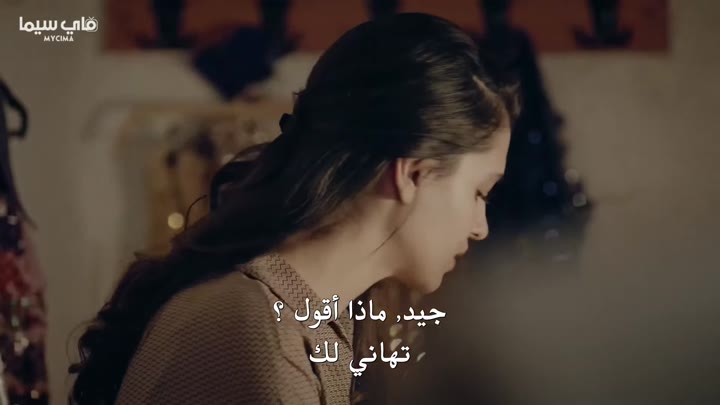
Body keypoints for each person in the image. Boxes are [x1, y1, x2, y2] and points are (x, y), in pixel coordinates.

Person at [68, 12, 519, 405]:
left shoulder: (311, 319)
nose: (480, 227)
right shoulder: (251, 332)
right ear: (412, 174)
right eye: (479, 192)